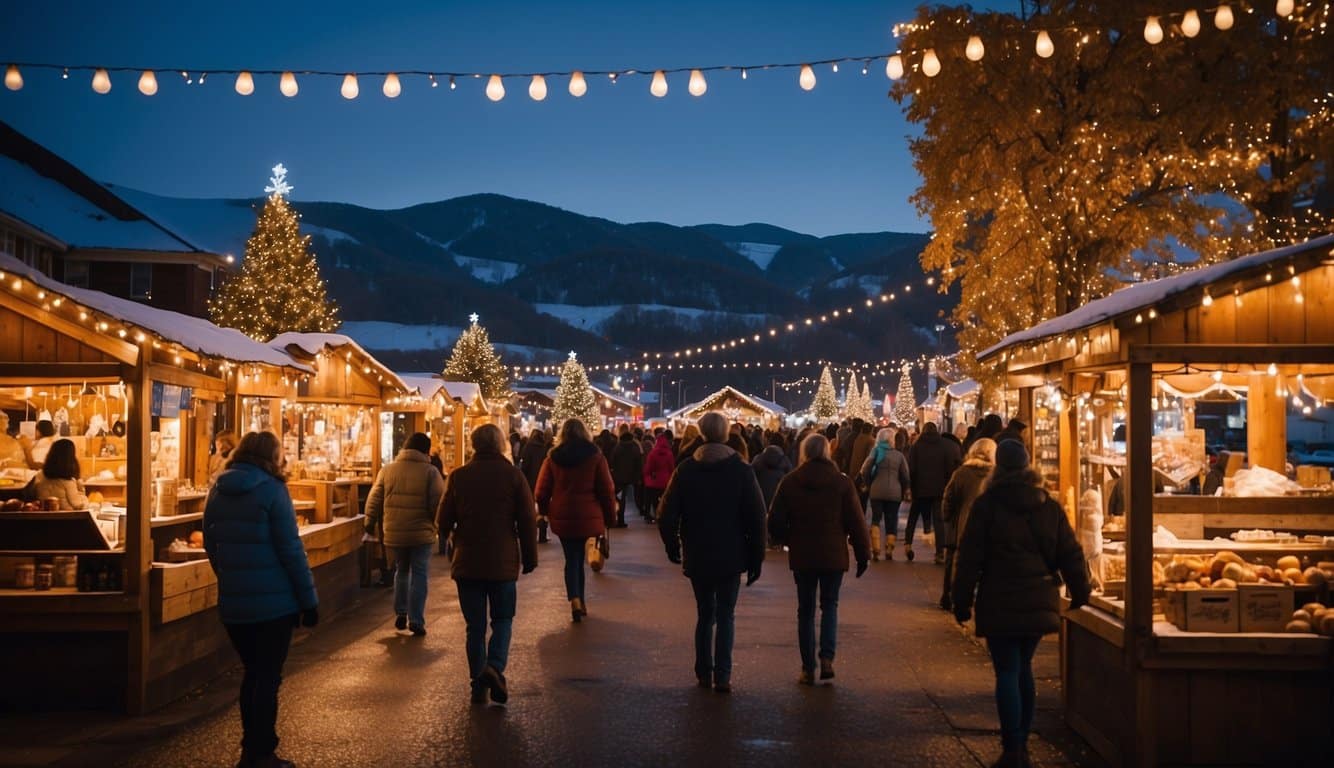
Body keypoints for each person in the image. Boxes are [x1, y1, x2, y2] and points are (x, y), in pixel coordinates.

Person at [952, 440, 1090, 768]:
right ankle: (1023, 740)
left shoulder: (986, 505)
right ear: (1028, 466)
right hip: (1038, 598)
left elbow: (969, 558)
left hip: (998, 598)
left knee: (1007, 671)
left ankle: (1012, 745)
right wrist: (1080, 591)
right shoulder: (1048, 505)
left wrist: (961, 602)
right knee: (1024, 667)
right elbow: (1070, 553)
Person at [204, 431, 318, 768]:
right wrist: (308, 600)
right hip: (274, 605)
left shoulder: (217, 490)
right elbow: (291, 550)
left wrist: (231, 579)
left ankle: (251, 750)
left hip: (235, 604)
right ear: (272, 456)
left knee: (252, 673)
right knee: (267, 677)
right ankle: (261, 753)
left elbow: (211, 544)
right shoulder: (272, 490)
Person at [658, 412, 766, 693]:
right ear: (727, 433)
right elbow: (757, 517)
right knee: (726, 614)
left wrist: (672, 545)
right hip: (732, 552)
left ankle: (703, 671)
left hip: (697, 550)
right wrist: (756, 557)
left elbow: (666, 514)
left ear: (702, 433)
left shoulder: (686, 470)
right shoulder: (742, 470)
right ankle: (723, 675)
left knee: (705, 613)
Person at [436, 424, 538, 706]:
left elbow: (442, 520)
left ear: (474, 445)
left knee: (475, 626)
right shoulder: (513, 477)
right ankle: (494, 667)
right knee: (503, 619)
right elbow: (528, 521)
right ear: (501, 444)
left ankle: (477, 683)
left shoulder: (459, 476)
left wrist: (451, 539)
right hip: (503, 562)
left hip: (467, 561)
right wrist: (530, 557)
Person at [767, 434, 870, 685]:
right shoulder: (842, 483)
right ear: (827, 452)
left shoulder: (790, 481)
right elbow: (856, 522)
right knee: (830, 605)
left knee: (805, 611)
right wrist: (862, 553)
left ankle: (806, 667)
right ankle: (827, 658)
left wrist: (784, 539)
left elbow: (775, 519)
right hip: (833, 553)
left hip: (803, 554)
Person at [535, 418, 616, 623]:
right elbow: (606, 490)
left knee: (571, 558)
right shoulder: (596, 457)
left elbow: (541, 491)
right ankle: (580, 598)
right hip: (588, 515)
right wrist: (609, 517)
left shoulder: (552, 458)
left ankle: (575, 599)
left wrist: (543, 511)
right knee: (579, 557)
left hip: (562, 515)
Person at [363, 432, 444, 636]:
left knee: (401, 571)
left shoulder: (387, 470)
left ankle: (401, 611)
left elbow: (374, 498)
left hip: (394, 531)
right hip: (421, 533)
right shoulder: (430, 472)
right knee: (419, 574)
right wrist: (441, 526)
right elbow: (437, 503)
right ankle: (416, 619)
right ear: (426, 451)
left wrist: (369, 523)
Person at [939, 438, 996, 611]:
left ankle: (950, 597)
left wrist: (948, 518)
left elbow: (948, 498)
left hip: (961, 524)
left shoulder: (962, 473)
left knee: (955, 561)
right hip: (988, 526)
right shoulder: (995, 474)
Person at [906, 422, 961, 563]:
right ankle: (939, 552)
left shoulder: (916, 447)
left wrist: (910, 488)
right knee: (939, 520)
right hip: (939, 489)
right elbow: (950, 468)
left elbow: (911, 470)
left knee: (913, 516)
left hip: (920, 489)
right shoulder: (945, 446)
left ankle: (908, 545)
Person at [859, 428, 910, 561]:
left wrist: (869, 483)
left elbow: (864, 470)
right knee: (891, 519)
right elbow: (905, 475)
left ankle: (876, 548)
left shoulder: (875, 452)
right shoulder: (899, 455)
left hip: (876, 490)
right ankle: (889, 547)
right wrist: (905, 488)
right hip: (894, 491)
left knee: (876, 518)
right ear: (892, 440)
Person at [33, 439, 88, 510]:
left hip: (43, 519)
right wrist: (82, 493)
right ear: (70, 459)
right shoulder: (68, 483)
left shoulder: (41, 478)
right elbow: (79, 505)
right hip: (66, 519)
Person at [609, 425, 643, 528]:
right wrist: (637, 477)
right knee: (627, 497)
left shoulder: (618, 447)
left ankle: (620, 520)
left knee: (619, 499)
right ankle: (624, 519)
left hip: (618, 478)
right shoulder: (635, 447)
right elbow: (639, 463)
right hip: (631, 477)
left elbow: (612, 461)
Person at [751, 433, 793, 511]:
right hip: (778, 500)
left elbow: (751, 477)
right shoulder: (786, 461)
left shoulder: (757, 459)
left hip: (759, 499)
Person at [642, 432, 676, 523]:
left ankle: (650, 516)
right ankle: (662, 516)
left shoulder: (652, 453)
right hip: (665, 481)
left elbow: (648, 468)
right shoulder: (669, 453)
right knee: (664, 500)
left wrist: (646, 475)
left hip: (653, 481)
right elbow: (671, 468)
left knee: (652, 499)